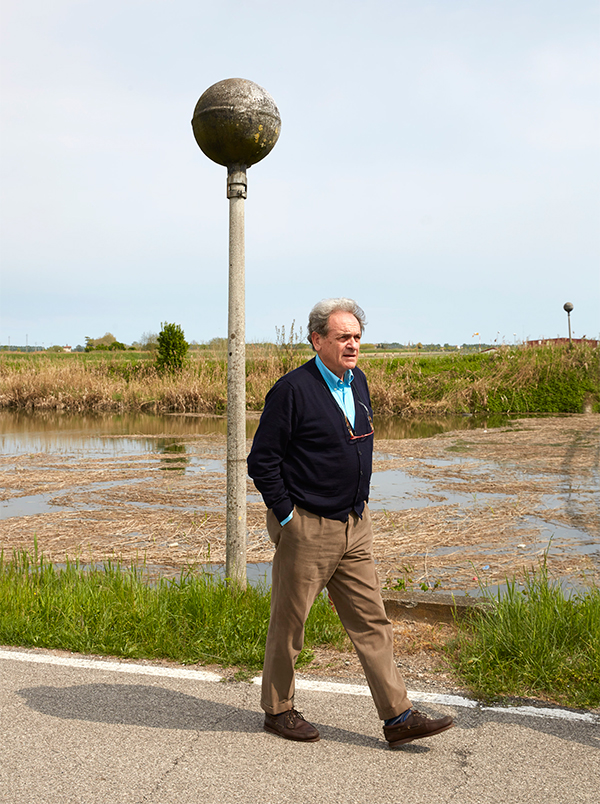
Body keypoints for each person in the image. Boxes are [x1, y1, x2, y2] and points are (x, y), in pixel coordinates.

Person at [247, 298, 454, 748]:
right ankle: (278, 710)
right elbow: (262, 462)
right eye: (343, 337)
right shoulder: (292, 390)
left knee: (372, 621)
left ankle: (398, 717)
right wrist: (288, 517)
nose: (353, 345)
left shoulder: (357, 380)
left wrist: (358, 506)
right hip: (308, 526)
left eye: (357, 336)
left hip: (354, 525)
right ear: (317, 339)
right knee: (290, 625)